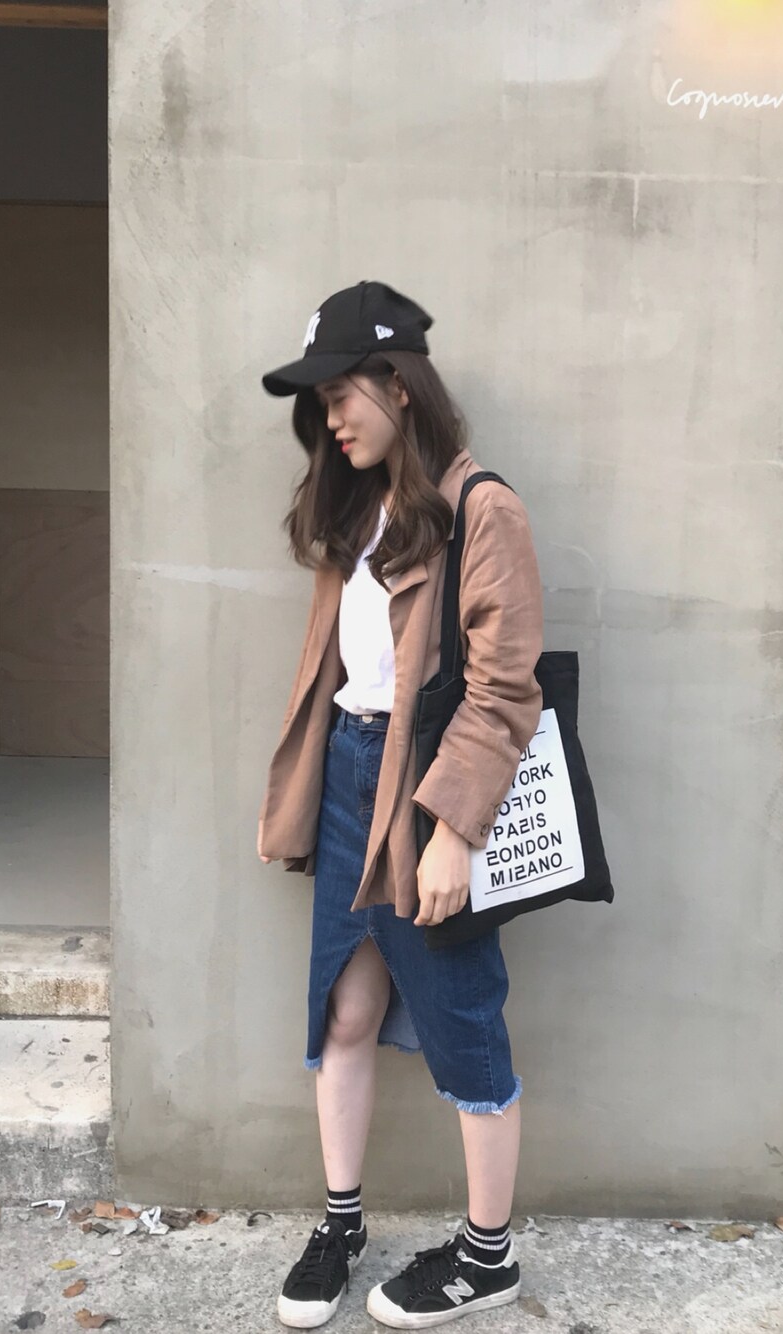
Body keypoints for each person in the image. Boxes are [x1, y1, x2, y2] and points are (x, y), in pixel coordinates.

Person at [257, 280, 544, 1330]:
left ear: (401, 384)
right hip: (350, 771)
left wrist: (453, 829)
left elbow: (503, 688)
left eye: (342, 395)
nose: (331, 419)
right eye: (320, 403)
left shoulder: (481, 508)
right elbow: (343, 668)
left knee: (462, 1017)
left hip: (426, 786)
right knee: (343, 1005)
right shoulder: (358, 505)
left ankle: (487, 1256)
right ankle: (341, 1223)